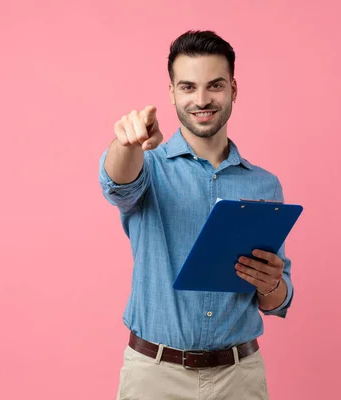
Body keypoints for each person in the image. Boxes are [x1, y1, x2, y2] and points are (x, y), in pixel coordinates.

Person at [99, 30, 295, 400]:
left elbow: (276, 301)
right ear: (172, 92)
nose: (202, 100)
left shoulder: (265, 187)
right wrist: (127, 143)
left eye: (215, 85)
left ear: (233, 89)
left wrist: (270, 283)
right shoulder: (148, 166)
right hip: (154, 378)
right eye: (188, 87)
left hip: (240, 377)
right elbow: (116, 184)